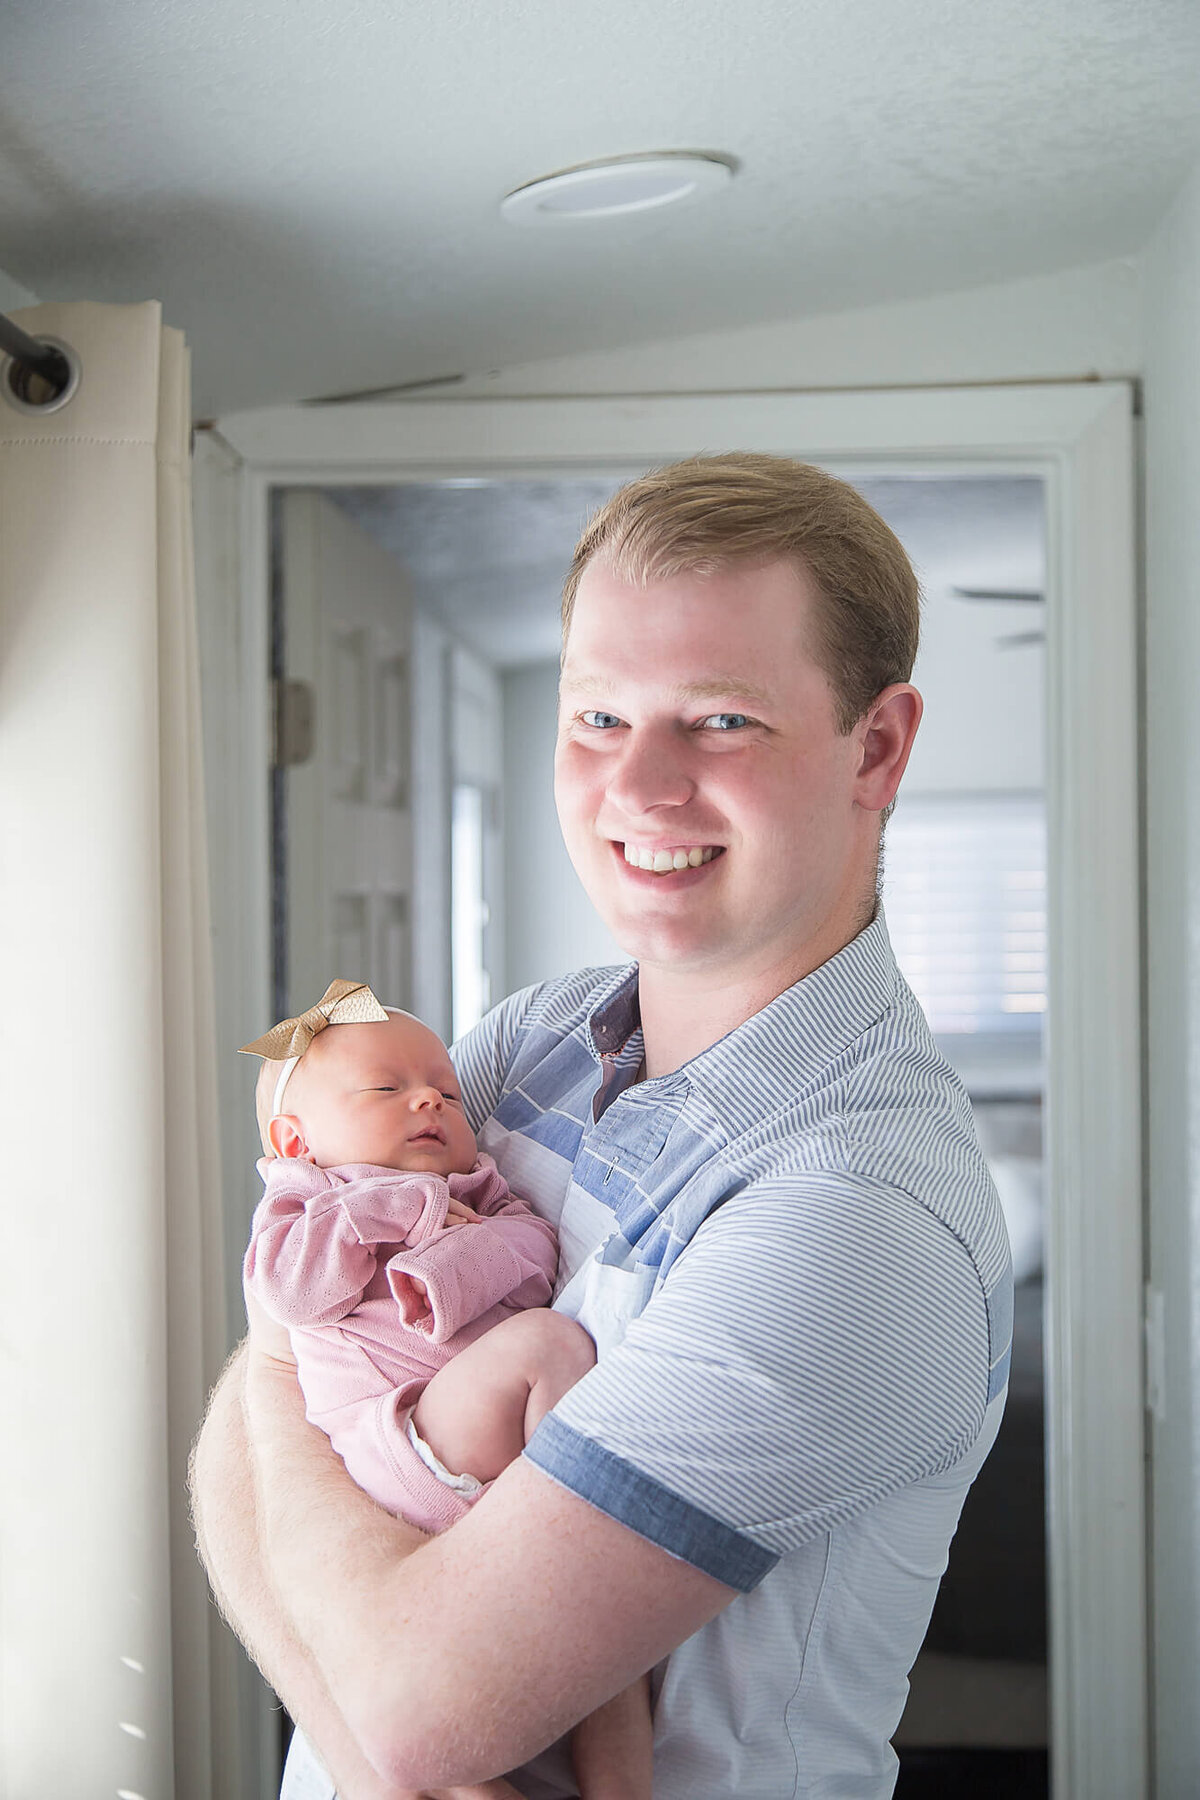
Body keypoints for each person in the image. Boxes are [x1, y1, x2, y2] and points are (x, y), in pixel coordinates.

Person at [191, 453, 1012, 1800]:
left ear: (878, 747)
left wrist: (384, 1723)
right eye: (597, 718)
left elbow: (406, 1683)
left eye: (722, 722)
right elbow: (253, 1411)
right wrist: (378, 1740)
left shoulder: (856, 1214)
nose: (640, 789)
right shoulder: (530, 1040)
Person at [240, 981, 654, 1800]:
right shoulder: (305, 1202)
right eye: (388, 1089)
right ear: (298, 1139)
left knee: (611, 1656)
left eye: (447, 1091)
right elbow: (289, 1296)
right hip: (395, 1448)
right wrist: (405, 1206)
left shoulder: (486, 1189)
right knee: (547, 1345)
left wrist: (453, 1256)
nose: (430, 1095)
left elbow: (536, 1248)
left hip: (468, 1445)